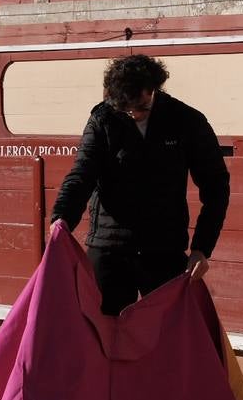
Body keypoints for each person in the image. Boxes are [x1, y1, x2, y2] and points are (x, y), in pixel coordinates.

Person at [50, 54, 230, 315]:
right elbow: (82, 175)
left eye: (142, 106)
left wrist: (203, 248)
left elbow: (216, 185)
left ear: (155, 90)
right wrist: (61, 217)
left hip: (163, 249)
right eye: (126, 108)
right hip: (110, 247)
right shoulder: (104, 119)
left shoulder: (186, 120)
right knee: (101, 336)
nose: (134, 113)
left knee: (169, 337)